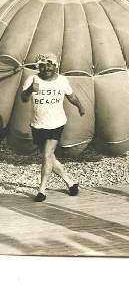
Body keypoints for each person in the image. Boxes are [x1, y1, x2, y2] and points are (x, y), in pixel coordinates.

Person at [21, 53, 85, 202]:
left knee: (46, 156)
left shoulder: (62, 80)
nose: (46, 68)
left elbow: (71, 96)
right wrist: (30, 90)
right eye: (42, 66)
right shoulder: (32, 79)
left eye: (49, 65)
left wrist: (80, 107)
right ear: (39, 67)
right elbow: (23, 99)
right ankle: (70, 183)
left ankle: (41, 190)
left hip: (56, 124)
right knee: (49, 157)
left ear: (55, 66)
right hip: (38, 124)